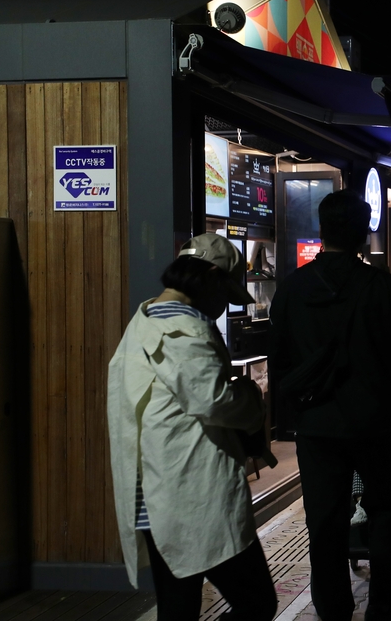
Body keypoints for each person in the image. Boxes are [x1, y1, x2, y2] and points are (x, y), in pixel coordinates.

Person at [269, 190, 391, 621]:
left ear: (322, 230)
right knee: (383, 510)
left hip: (317, 425)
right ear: (363, 232)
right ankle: (381, 603)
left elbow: (278, 360)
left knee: (323, 520)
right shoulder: (381, 287)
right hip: (375, 420)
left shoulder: (293, 288)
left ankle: (333, 608)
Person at [107, 233, 277, 621]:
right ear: (213, 277)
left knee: (178, 608)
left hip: (155, 490)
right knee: (257, 603)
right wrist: (253, 401)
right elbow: (212, 400)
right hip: (194, 494)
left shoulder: (145, 317)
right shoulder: (184, 326)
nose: (224, 305)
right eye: (228, 293)